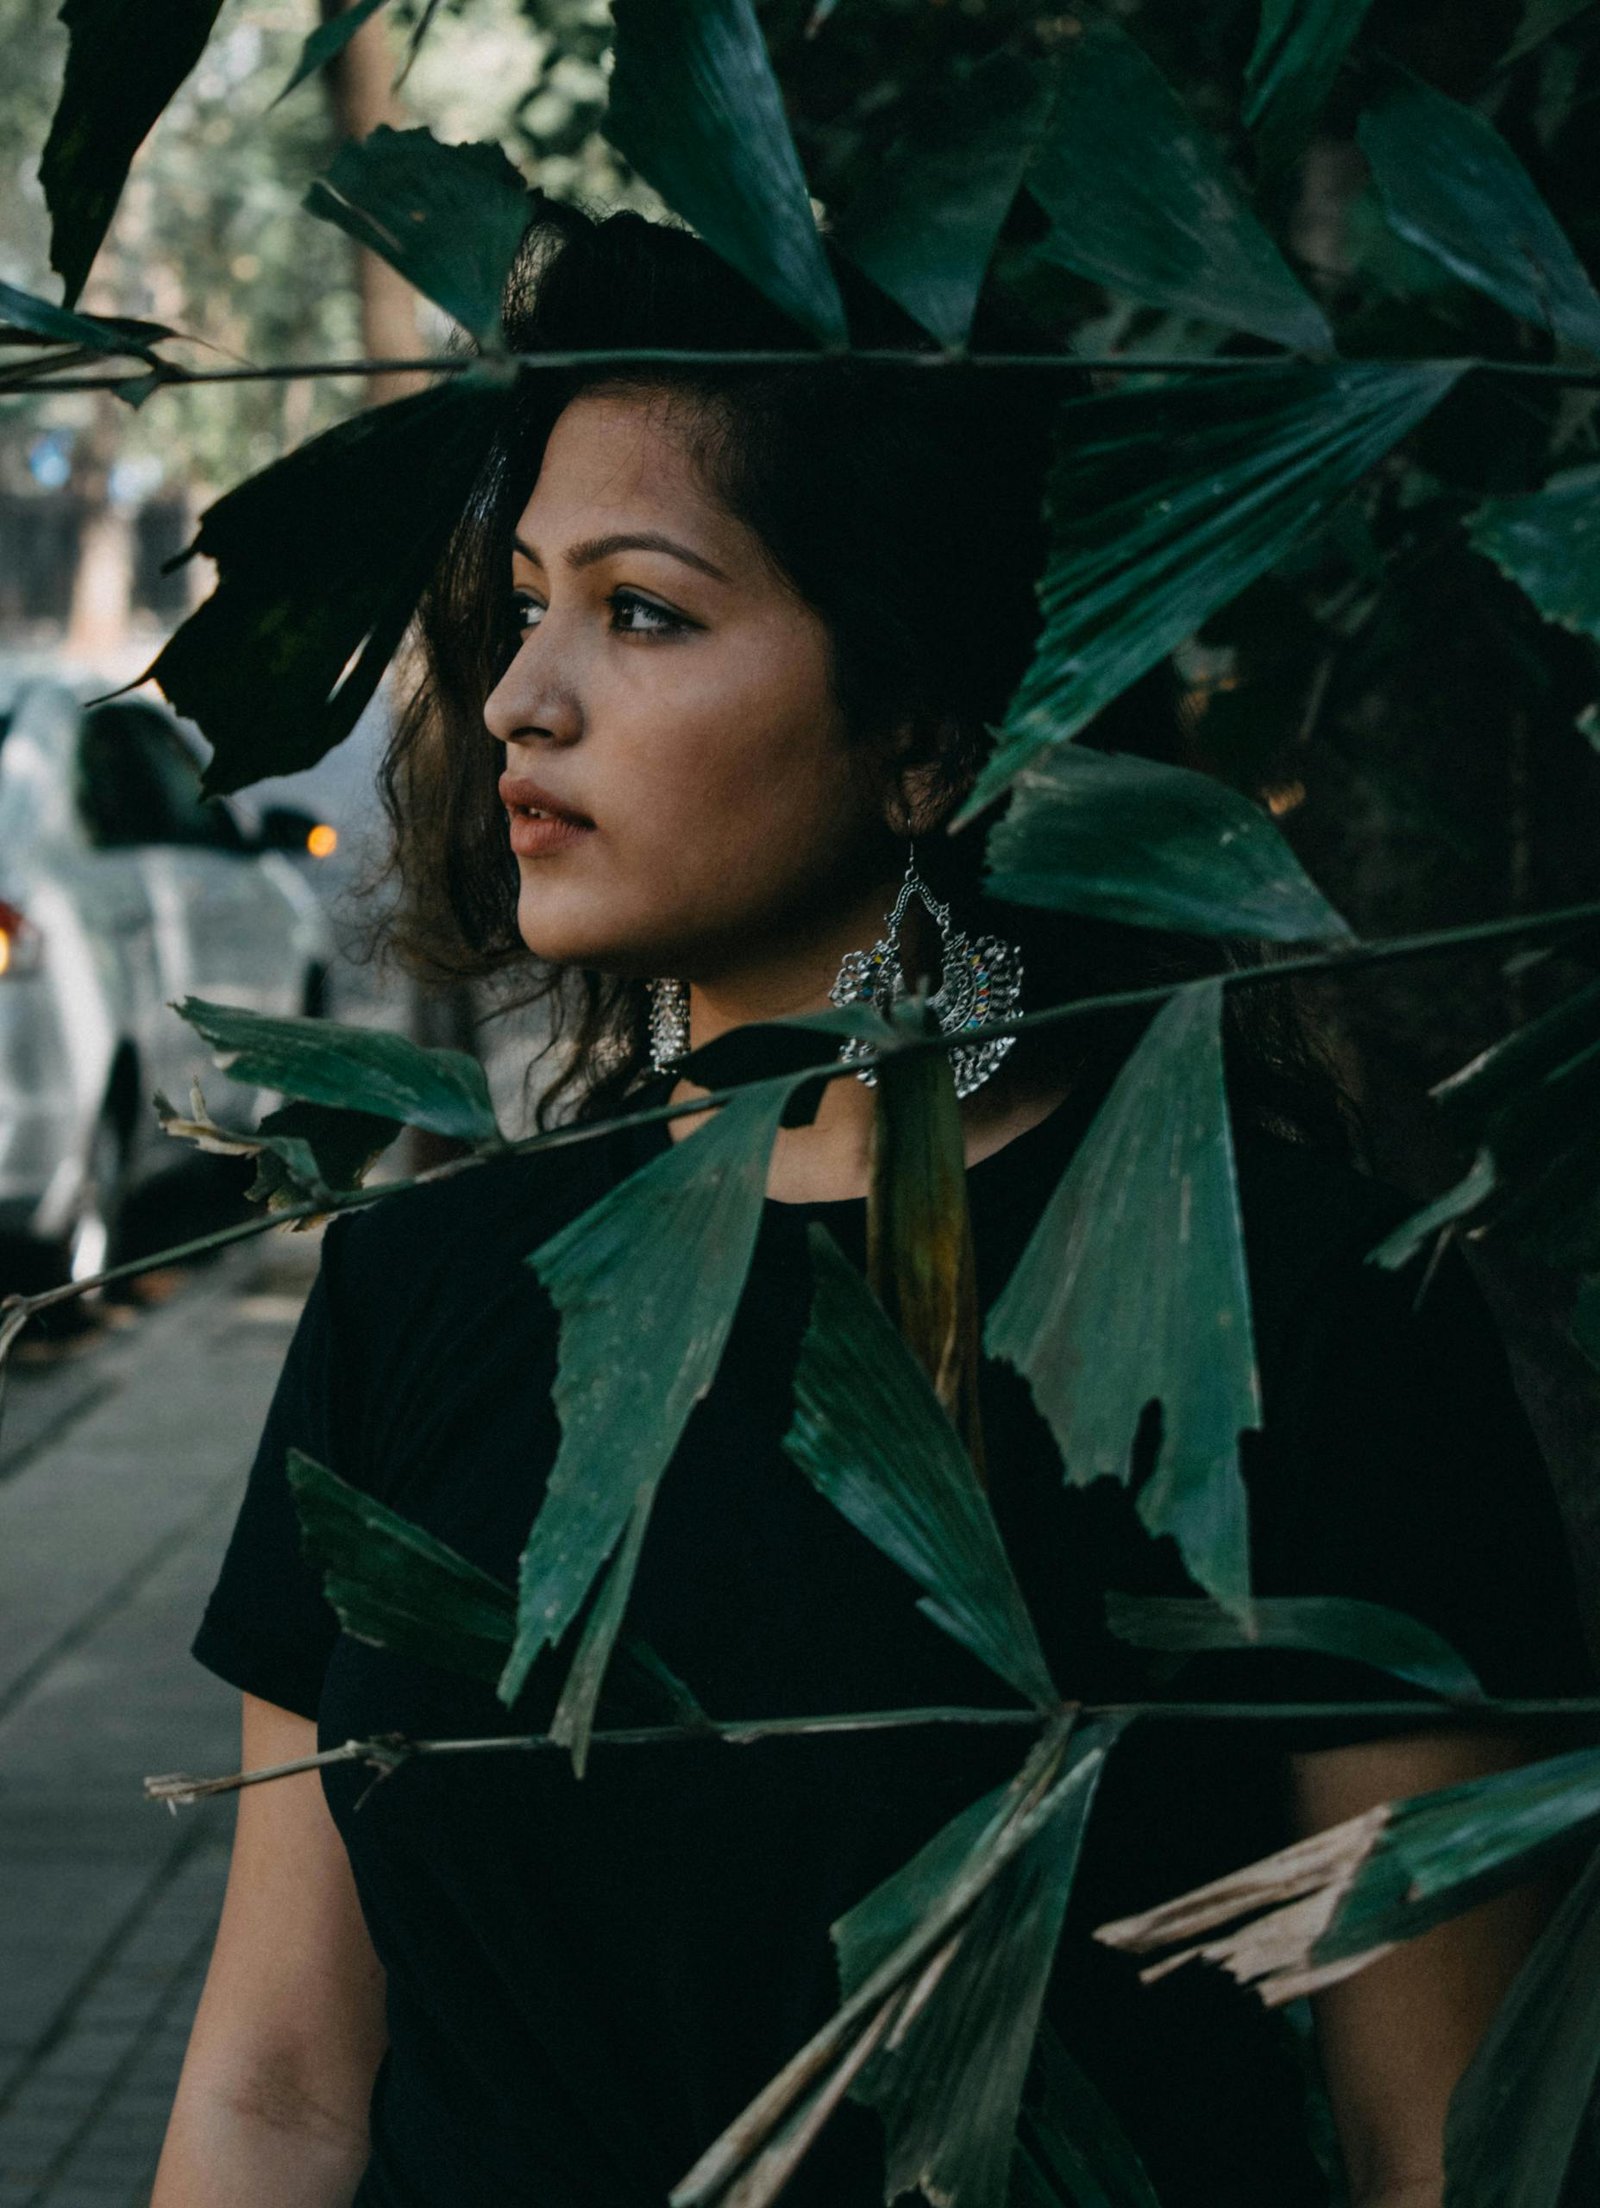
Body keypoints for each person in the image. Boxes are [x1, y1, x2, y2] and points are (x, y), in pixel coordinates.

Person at [152, 205, 1593, 2208]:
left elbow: (1434, 2146)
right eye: (525, 608)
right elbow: (279, 2082)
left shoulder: (1286, 1318)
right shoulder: (420, 1294)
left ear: (923, 737)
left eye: (640, 613)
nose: (517, 702)